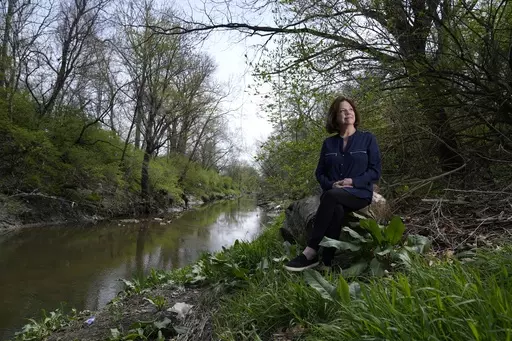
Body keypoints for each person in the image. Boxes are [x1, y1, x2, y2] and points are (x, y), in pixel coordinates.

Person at [284, 96, 382, 271]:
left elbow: (375, 172)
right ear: (335, 117)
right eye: (343, 110)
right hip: (335, 194)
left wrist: (353, 181)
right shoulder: (328, 144)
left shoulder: (368, 139)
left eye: (350, 109)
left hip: (359, 194)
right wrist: (331, 185)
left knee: (330, 197)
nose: (348, 113)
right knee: (335, 208)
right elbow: (319, 173)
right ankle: (327, 263)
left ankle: (311, 251)